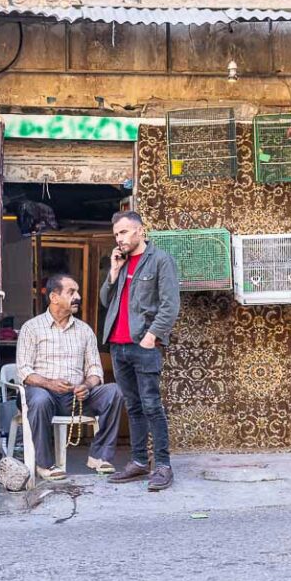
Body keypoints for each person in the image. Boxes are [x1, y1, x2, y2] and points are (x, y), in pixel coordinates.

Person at [100, 211, 181, 492]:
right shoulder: (120, 264)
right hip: (118, 345)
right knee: (132, 406)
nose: (119, 239)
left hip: (143, 346)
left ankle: (162, 465)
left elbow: (170, 306)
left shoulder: (160, 261)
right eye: (116, 235)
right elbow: (104, 300)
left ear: (140, 231)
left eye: (123, 233)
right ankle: (137, 461)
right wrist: (112, 272)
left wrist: (151, 336)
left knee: (151, 405)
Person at [16, 273, 124, 482]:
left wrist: (86, 385)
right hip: (44, 395)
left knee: (115, 392)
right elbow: (24, 371)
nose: (78, 297)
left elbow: (95, 370)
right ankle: (45, 464)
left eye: (77, 292)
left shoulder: (84, 331)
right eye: (71, 292)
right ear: (54, 297)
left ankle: (99, 456)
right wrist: (49, 383)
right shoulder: (32, 328)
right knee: (39, 399)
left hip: (77, 398)